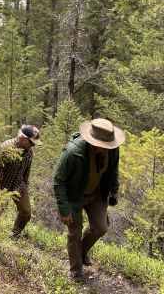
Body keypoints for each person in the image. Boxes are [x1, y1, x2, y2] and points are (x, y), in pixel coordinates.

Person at [53, 118, 125, 280]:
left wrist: (114, 189)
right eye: (104, 146)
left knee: (101, 228)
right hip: (74, 197)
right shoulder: (72, 152)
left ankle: (81, 252)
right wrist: (64, 210)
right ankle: (76, 269)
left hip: (97, 194)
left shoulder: (113, 149)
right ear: (93, 141)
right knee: (74, 233)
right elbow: (59, 182)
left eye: (110, 146)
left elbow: (114, 170)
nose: (108, 149)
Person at [0, 124, 42, 239]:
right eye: (31, 142)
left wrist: (25, 186)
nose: (33, 145)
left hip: (19, 184)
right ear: (23, 138)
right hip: (2, 185)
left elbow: (26, 171)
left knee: (26, 212)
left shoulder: (29, 151)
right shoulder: (6, 148)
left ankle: (14, 236)